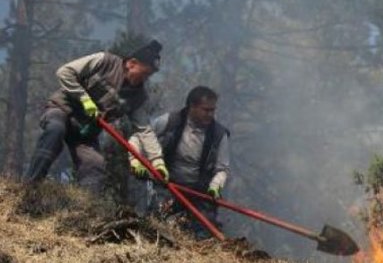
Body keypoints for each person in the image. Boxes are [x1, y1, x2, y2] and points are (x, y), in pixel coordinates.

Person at [25, 39, 168, 192]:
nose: (145, 79)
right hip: (62, 110)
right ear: (131, 63)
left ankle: (83, 211)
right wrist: (84, 99)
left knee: (95, 164)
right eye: (144, 73)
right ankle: (30, 189)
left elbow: (143, 130)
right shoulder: (104, 61)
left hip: (85, 132)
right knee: (55, 130)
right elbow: (65, 72)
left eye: (149, 76)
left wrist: (157, 161)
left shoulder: (138, 97)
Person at [129, 86, 230, 238]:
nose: (210, 115)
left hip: (200, 193)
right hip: (168, 185)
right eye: (206, 110)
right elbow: (139, 137)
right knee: (155, 223)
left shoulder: (219, 134)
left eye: (213, 110)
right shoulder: (171, 121)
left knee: (204, 233)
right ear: (192, 106)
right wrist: (135, 161)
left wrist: (215, 187)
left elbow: (222, 169)